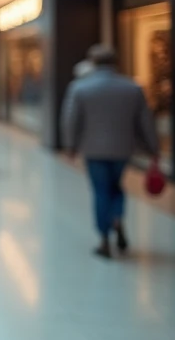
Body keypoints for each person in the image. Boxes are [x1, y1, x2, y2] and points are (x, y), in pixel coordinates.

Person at [63, 44, 159, 259]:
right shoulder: (132, 88)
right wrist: (153, 147)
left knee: (100, 190)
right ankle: (117, 218)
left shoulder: (80, 88)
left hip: (94, 150)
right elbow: (146, 121)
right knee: (116, 186)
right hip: (122, 149)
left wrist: (71, 146)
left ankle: (104, 238)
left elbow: (71, 120)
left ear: (92, 62)